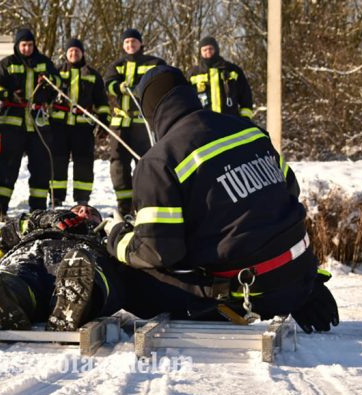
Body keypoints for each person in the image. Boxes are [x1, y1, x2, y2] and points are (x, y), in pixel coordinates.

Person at [106, 66, 339, 334]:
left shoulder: (159, 160)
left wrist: (116, 237)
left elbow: (158, 252)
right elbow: (289, 191)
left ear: (150, 112)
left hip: (241, 293)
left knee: (126, 272)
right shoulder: (250, 130)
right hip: (296, 278)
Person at [0, 205, 122, 331]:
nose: (85, 212)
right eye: (77, 210)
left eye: (93, 214)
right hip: (29, 259)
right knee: (14, 276)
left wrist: (119, 233)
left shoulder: (107, 243)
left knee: (86, 272)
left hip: (81, 262)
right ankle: (5, 300)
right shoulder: (39, 227)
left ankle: (69, 306)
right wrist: (40, 220)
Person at [0, 28, 61, 222]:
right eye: (23, 45)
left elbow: (58, 83)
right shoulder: (7, 64)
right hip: (13, 122)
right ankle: (0, 208)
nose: (27, 48)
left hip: (38, 123)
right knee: (8, 166)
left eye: (30, 44)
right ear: (17, 45)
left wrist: (48, 82)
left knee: (40, 167)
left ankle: (38, 210)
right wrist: (9, 95)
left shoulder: (44, 63)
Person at [103, 29, 166, 216]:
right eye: (127, 42)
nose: (130, 45)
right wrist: (119, 87)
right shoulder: (117, 66)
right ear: (123, 45)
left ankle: (146, 201)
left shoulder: (153, 63)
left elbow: (162, 80)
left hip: (143, 124)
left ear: (141, 43)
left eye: (133, 42)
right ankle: (124, 206)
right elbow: (108, 84)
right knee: (118, 164)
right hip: (121, 125)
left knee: (146, 162)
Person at [49, 38, 110, 206]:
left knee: (84, 164)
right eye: (71, 51)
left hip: (83, 128)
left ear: (82, 53)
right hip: (59, 127)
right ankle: (56, 198)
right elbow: (46, 95)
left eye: (77, 51)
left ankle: (82, 198)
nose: (74, 54)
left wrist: (104, 120)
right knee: (57, 162)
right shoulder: (57, 73)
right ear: (66, 54)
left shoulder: (92, 75)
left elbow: (102, 102)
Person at [187, 36, 253, 119]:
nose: (208, 52)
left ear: (216, 49)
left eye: (210, 48)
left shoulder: (232, 70)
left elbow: (246, 96)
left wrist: (245, 119)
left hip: (230, 121)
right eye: (205, 50)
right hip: (204, 123)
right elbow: (186, 99)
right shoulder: (193, 74)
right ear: (200, 52)